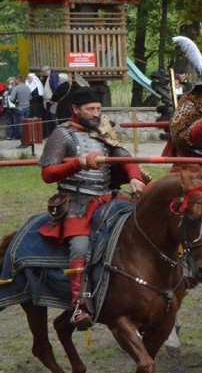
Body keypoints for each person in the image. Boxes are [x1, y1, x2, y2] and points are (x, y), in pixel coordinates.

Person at [38, 87, 147, 329]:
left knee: (141, 225)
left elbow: (125, 157)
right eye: (90, 109)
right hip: (76, 202)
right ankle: (80, 305)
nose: (96, 113)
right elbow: (47, 173)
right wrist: (77, 163)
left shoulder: (104, 131)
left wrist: (135, 177)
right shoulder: (62, 135)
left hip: (108, 198)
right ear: (75, 110)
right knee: (80, 246)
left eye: (98, 108)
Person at [10, 75, 31, 148]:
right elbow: (30, 97)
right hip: (27, 107)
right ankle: (28, 141)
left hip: (20, 108)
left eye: (14, 79)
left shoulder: (15, 88)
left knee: (20, 126)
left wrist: (16, 101)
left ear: (17, 79)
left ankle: (23, 143)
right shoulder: (27, 87)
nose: (14, 81)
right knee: (26, 125)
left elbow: (12, 99)